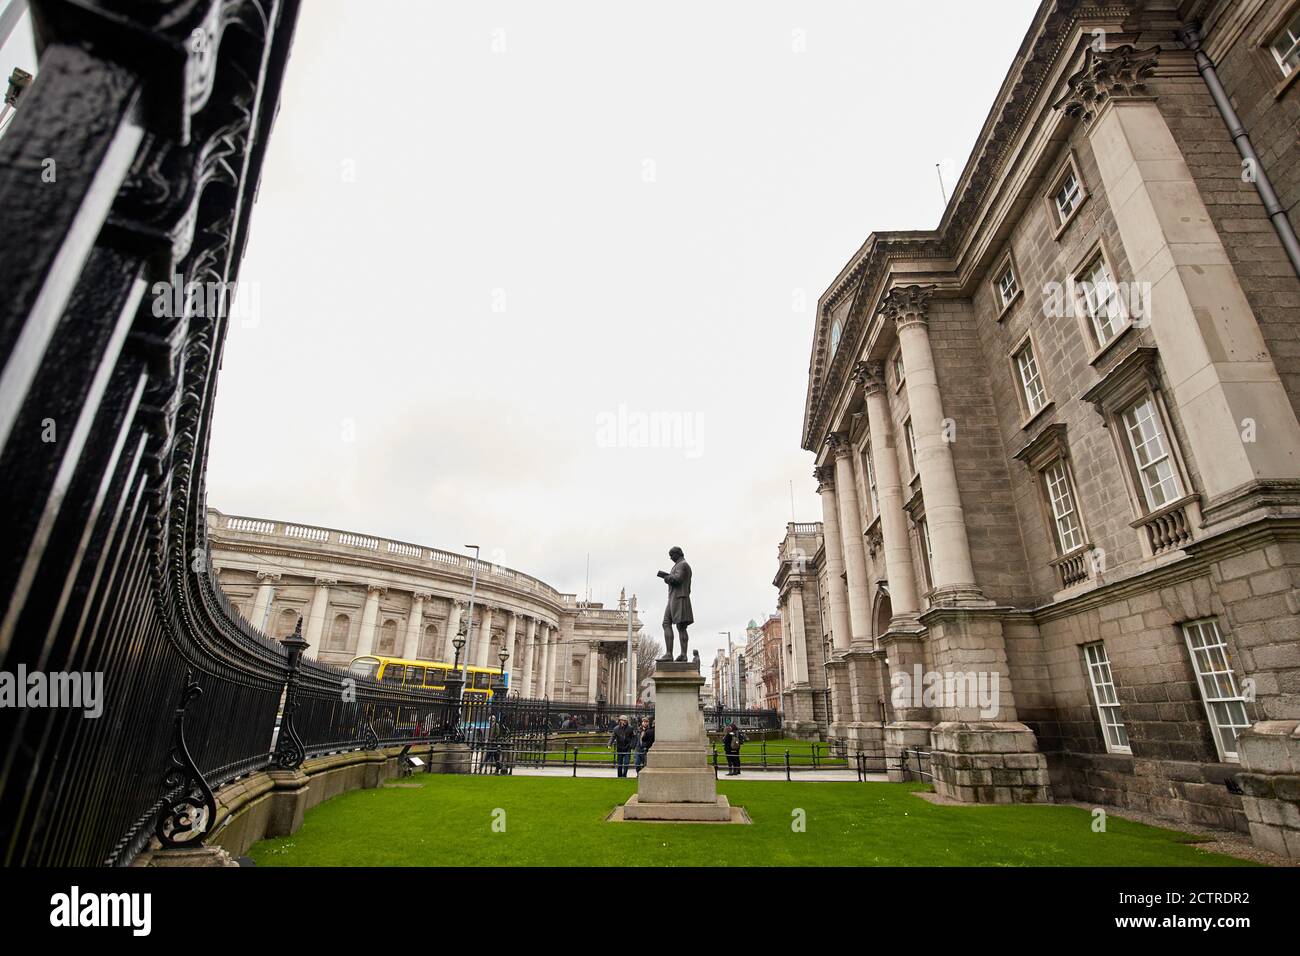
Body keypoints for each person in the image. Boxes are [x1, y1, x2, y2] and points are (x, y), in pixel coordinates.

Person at [656, 546, 693, 661]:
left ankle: (682, 654)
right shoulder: (678, 565)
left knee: (681, 627)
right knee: (666, 623)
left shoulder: (683, 565)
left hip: (679, 598)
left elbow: (678, 579)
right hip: (673, 599)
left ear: (678, 553)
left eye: (672, 555)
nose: (670, 557)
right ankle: (669, 654)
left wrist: (666, 577)